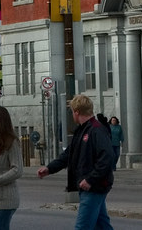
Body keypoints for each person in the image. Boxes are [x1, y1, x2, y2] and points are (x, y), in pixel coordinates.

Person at [38, 94, 114, 230]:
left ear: (77, 112)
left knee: (82, 226)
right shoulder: (82, 131)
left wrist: (90, 179)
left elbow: (107, 158)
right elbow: (68, 155)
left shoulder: (96, 130)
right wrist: (49, 168)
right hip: (90, 186)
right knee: (102, 225)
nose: (72, 115)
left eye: (72, 111)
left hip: (93, 187)